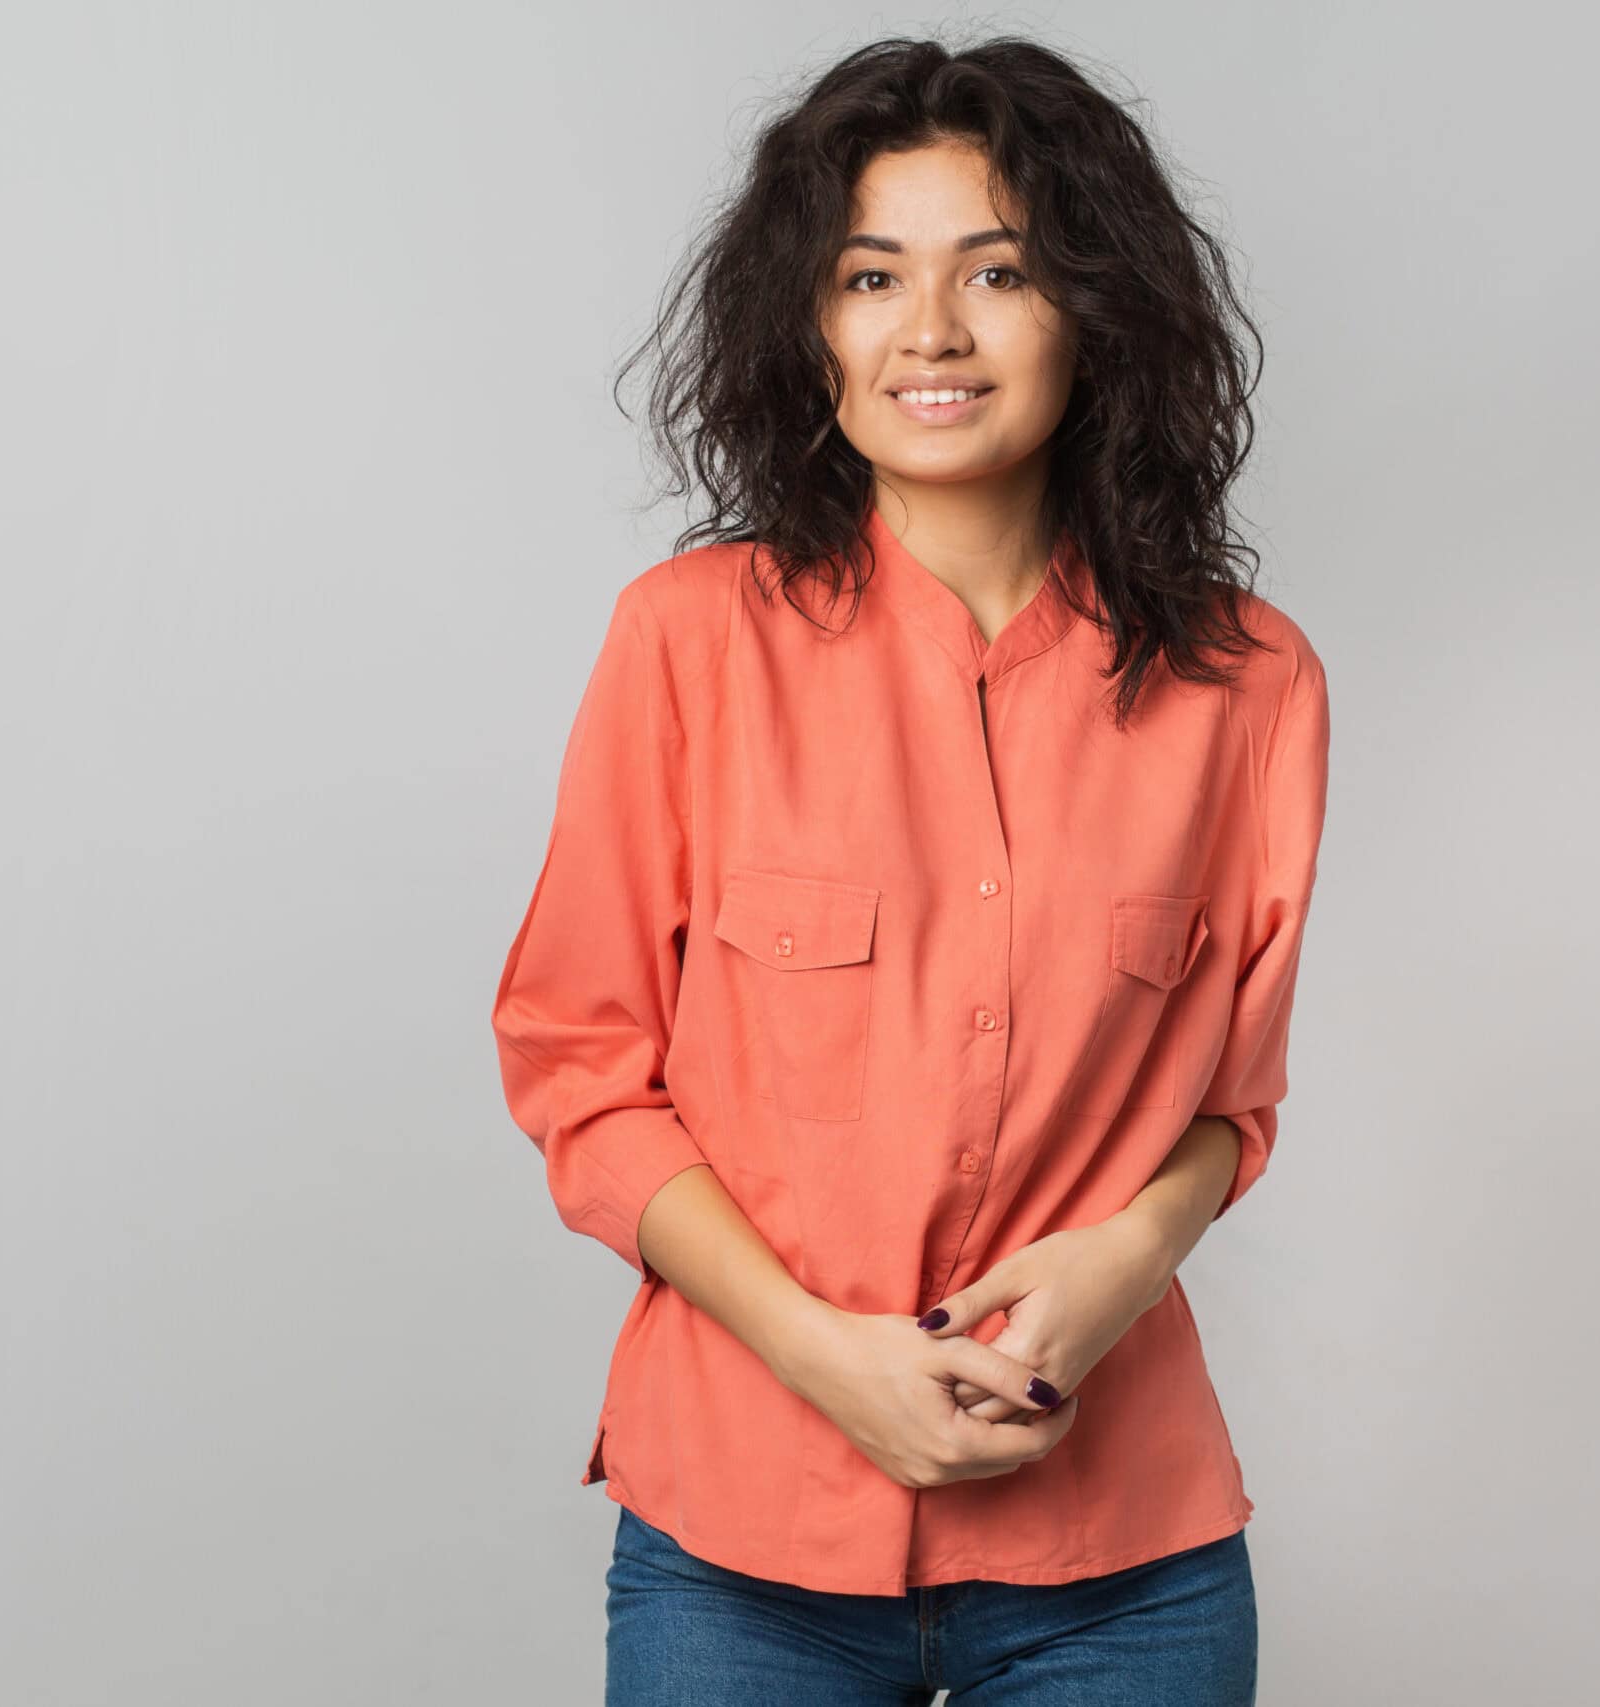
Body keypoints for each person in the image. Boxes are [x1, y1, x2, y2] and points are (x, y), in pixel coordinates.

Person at [491, 32, 1330, 1704]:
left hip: (1119, 1566)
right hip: (743, 1548)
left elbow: (1234, 1098)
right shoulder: (688, 647)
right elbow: (584, 1071)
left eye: (999, 273)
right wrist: (825, 1360)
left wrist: (1122, 1262)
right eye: (872, 276)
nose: (929, 333)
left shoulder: (1252, 685)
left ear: (1096, 313)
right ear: (811, 325)